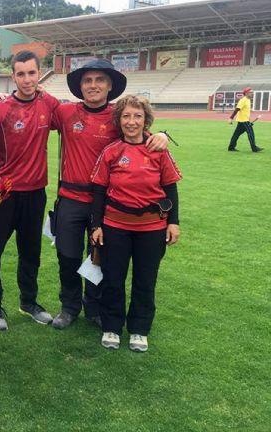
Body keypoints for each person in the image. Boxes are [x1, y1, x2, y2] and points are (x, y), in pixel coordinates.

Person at [51, 58, 169, 330]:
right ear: (80, 86)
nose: (93, 85)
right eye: (87, 80)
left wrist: (161, 134)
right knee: (67, 256)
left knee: (99, 257)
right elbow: (35, 108)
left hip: (105, 202)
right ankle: (69, 306)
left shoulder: (118, 115)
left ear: (109, 85)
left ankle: (94, 305)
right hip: (70, 198)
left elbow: (141, 132)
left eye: (99, 80)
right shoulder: (65, 112)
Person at [90, 95, 181, 352]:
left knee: (145, 280)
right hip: (115, 226)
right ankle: (112, 326)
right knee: (113, 279)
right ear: (119, 120)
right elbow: (98, 191)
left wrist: (173, 222)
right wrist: (96, 225)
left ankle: (139, 329)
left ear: (146, 119)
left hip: (151, 228)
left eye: (137, 116)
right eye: (126, 116)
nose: (132, 122)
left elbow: (170, 188)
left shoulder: (159, 151)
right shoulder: (112, 151)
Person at [0, 50, 60, 331]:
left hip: (35, 193)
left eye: (32, 73)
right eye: (21, 74)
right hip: (2, 192)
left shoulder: (50, 104)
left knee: (30, 252)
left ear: (40, 74)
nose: (27, 79)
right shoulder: (0, 109)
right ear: (12, 77)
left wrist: (151, 135)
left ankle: (28, 302)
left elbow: (81, 123)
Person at [227, 87, 263, 152]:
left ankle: (231, 147)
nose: (252, 94)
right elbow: (237, 109)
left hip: (243, 121)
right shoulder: (243, 100)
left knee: (236, 134)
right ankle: (254, 148)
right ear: (246, 93)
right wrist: (231, 118)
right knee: (251, 133)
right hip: (244, 121)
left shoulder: (248, 100)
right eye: (251, 92)